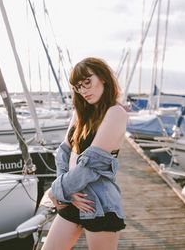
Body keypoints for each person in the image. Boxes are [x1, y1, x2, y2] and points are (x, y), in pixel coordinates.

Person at [42, 57, 127, 250]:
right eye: (78, 86)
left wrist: (57, 190)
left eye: (87, 82)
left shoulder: (115, 113)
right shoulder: (80, 113)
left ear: (103, 77)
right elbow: (63, 153)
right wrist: (66, 194)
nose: (83, 90)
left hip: (99, 201)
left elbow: (90, 165)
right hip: (73, 196)